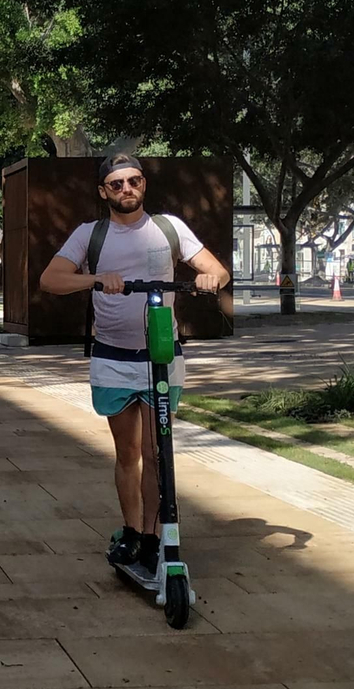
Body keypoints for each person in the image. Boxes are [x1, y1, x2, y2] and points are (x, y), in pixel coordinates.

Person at [39, 154, 228, 575]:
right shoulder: (91, 235)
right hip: (112, 357)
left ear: (144, 184)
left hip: (162, 355)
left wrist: (208, 278)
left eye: (135, 181)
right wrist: (95, 278)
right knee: (129, 452)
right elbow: (50, 279)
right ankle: (131, 531)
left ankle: (154, 535)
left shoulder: (169, 228)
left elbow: (216, 269)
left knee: (159, 451)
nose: (127, 189)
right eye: (117, 184)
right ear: (103, 191)